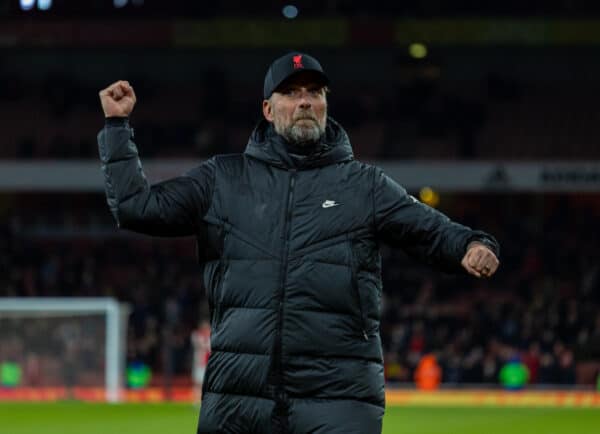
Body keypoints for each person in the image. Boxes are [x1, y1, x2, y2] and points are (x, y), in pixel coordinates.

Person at [97, 52, 500, 434]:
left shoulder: (365, 185)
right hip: (240, 397)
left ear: (326, 105)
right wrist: (117, 128)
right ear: (268, 111)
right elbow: (136, 208)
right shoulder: (222, 179)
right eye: (291, 93)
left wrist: (472, 244)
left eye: (314, 92)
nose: (305, 101)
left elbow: (430, 230)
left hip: (340, 396)